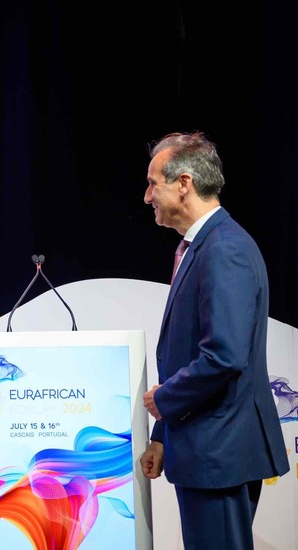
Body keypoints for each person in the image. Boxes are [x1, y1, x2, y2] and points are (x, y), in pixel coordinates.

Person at [139, 133, 289, 549]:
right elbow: (192, 355)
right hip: (205, 447)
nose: (147, 197)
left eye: (153, 183)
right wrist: (162, 434)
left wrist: (164, 399)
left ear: (184, 183)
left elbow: (224, 356)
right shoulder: (203, 246)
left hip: (219, 452)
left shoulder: (223, 249)